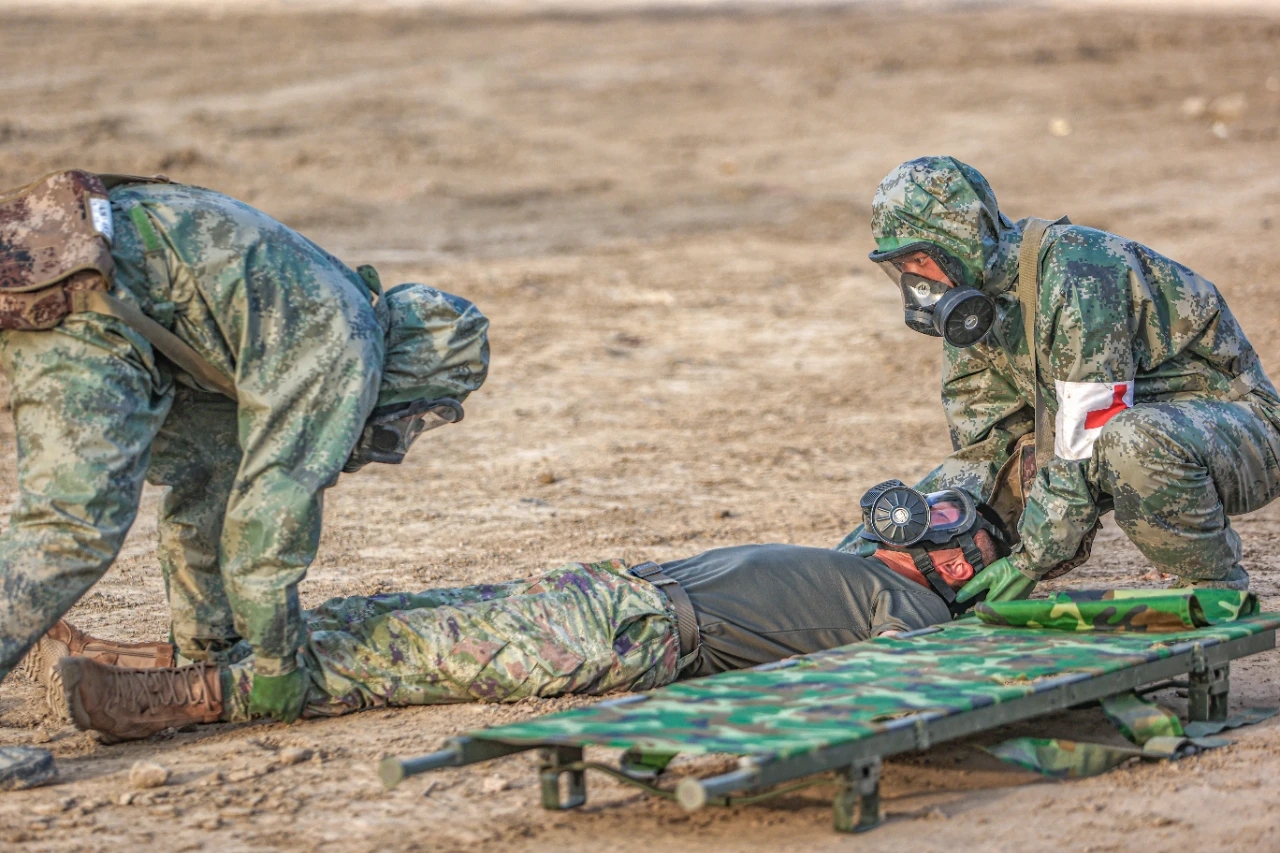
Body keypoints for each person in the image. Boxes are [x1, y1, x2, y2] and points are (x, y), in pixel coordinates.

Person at [0, 171, 489, 740]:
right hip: (83, 287)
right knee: (72, 524)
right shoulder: (346, 342)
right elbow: (271, 513)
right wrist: (277, 662)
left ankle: (212, 645)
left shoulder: (314, 302)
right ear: (411, 372)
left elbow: (215, 481)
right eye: (414, 413)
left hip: (69, 257)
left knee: (209, 468)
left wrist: (216, 653)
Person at [44, 484, 1004, 741]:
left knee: (399, 657)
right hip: (610, 592)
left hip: (629, 633)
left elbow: (911, 684)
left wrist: (993, 606)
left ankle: (175, 697)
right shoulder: (854, 564)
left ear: (959, 560)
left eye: (959, 520)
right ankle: (144, 652)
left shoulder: (914, 613)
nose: (932, 507)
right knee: (376, 613)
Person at [838, 156, 1280, 606]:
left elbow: (1090, 429)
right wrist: (915, 536)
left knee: (1129, 441)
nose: (917, 284)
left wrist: (1031, 560)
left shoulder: (1080, 272)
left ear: (962, 238)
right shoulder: (977, 304)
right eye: (902, 267)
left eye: (920, 260)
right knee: (926, 518)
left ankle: (1212, 588)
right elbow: (987, 450)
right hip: (1115, 436)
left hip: (1238, 433)